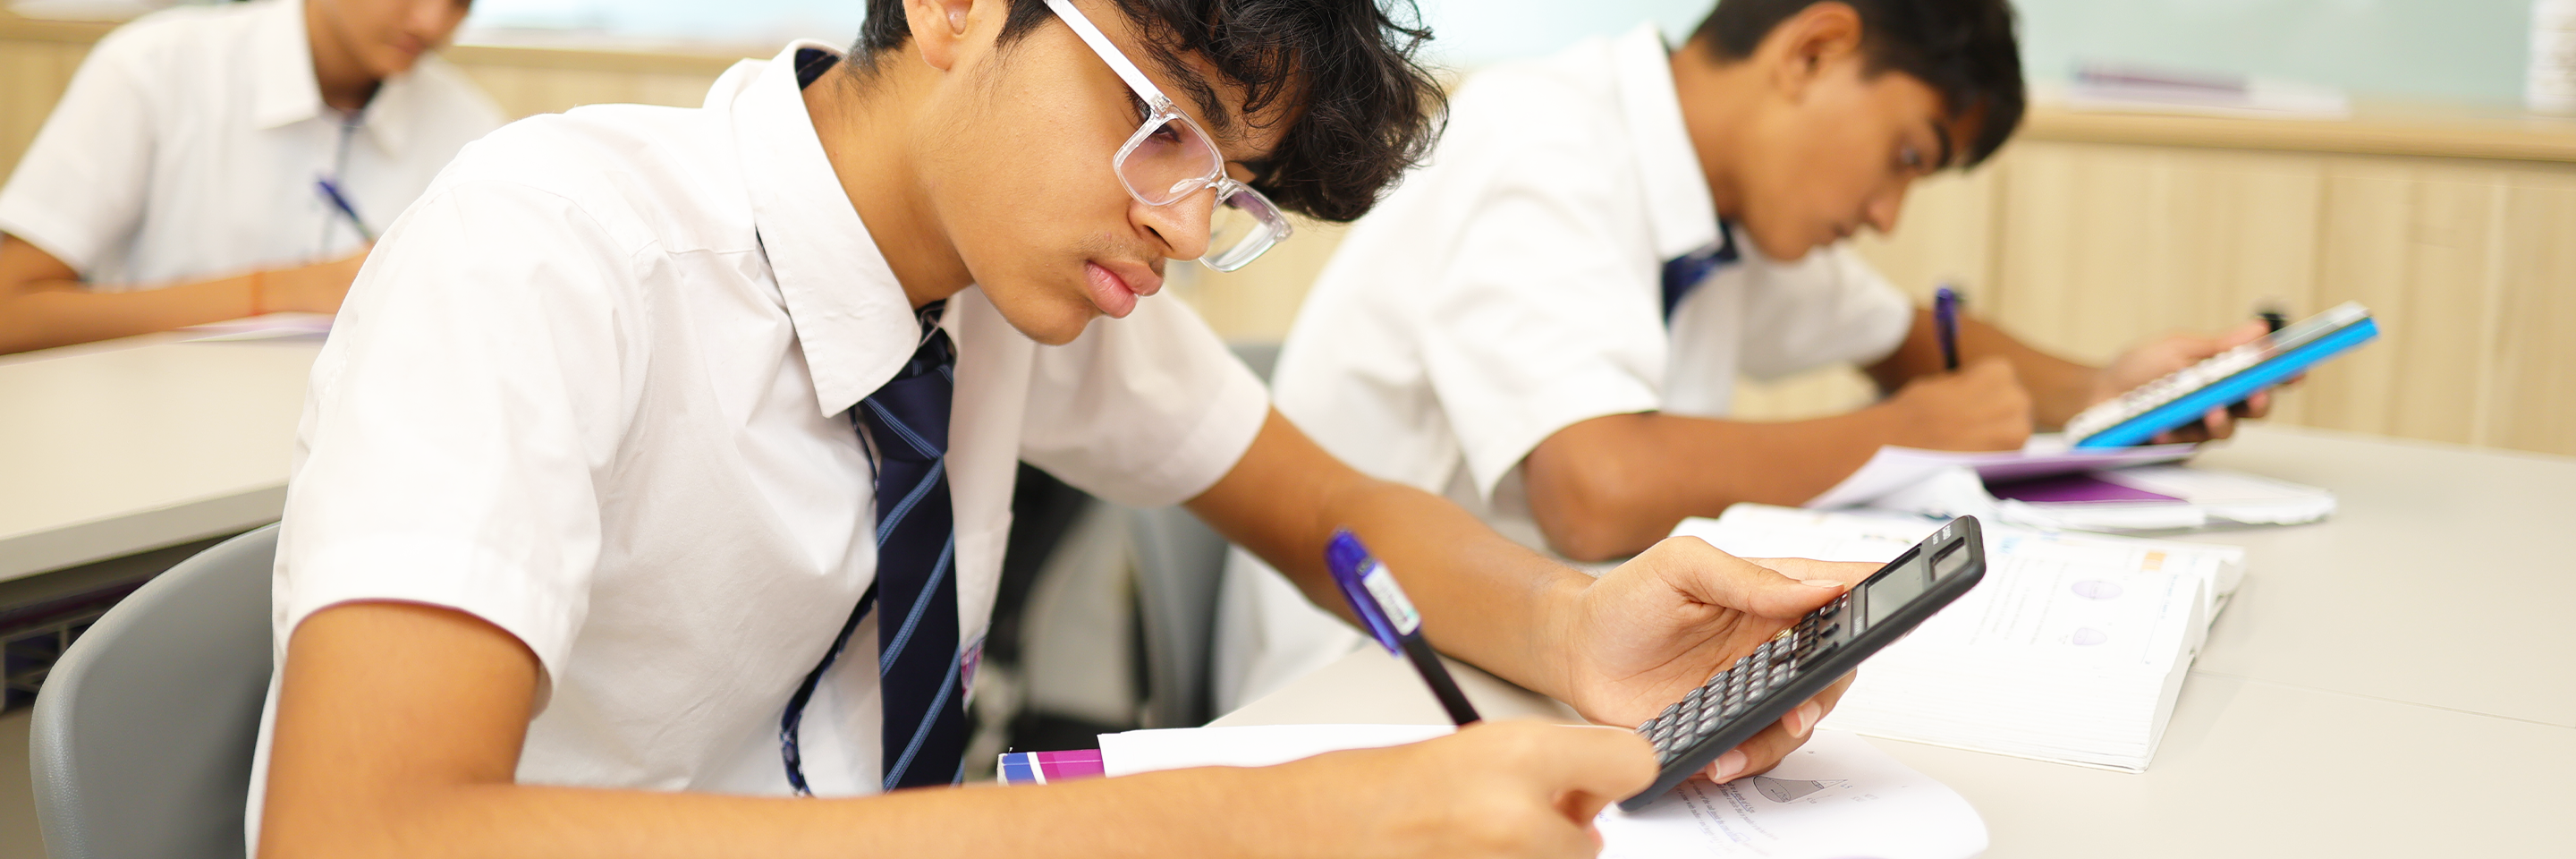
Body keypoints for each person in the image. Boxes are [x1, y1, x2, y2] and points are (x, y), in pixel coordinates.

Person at [252, 0, 1879, 855]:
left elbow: (1334, 509)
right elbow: (361, 836)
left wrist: (1576, 625)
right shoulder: (548, 252)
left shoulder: (1010, 272)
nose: (1183, 224)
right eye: (1160, 121)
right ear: (957, 5)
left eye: (1229, 183)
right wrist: (1256, 824)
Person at [1215, 0, 2285, 709]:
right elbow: (1592, 489)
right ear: (1813, 51)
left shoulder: (1728, 203)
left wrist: (2106, 387)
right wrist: (1902, 436)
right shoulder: (1544, 141)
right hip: (1373, 681)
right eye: (1904, 156)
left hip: (1546, 643)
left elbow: (1912, 343)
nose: (1888, 213)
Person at [0, 0, 500, 354]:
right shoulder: (154, 68)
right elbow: (10, 312)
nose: (431, 21)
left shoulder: (471, 128)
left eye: (461, 2)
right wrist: (283, 293)